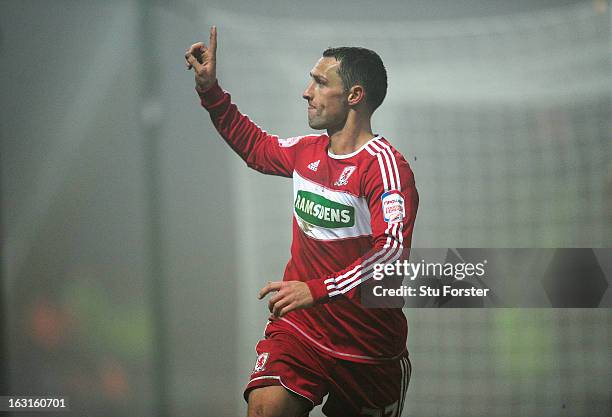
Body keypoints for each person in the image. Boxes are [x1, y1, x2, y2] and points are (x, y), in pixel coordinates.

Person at [185, 26, 419, 417]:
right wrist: (210, 90)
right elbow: (256, 148)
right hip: (301, 330)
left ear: (354, 96)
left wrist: (318, 288)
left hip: (367, 349)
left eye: (319, 82)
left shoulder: (385, 168)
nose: (306, 92)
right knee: (264, 410)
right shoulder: (306, 152)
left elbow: (392, 251)